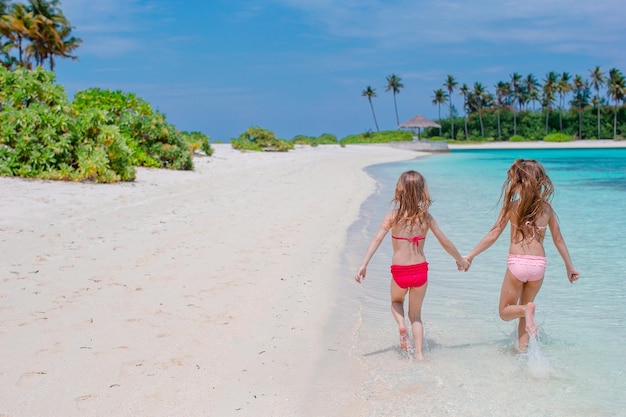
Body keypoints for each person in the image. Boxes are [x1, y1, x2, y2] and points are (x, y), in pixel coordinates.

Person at [464, 159, 579, 351]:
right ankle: (523, 355)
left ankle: (526, 311)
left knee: (505, 311)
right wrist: (570, 266)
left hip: (517, 264)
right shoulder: (547, 208)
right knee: (526, 312)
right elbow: (558, 239)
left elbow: (493, 234)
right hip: (539, 266)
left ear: (519, 183)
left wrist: (470, 255)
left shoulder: (511, 207)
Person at [355, 170, 469, 361]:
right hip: (420, 271)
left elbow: (377, 239)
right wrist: (460, 259)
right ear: (422, 192)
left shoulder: (393, 216)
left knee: (396, 302)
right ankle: (419, 353)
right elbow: (445, 242)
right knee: (416, 316)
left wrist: (364, 264)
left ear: (399, 190)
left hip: (400, 271)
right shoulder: (426, 218)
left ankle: (401, 325)